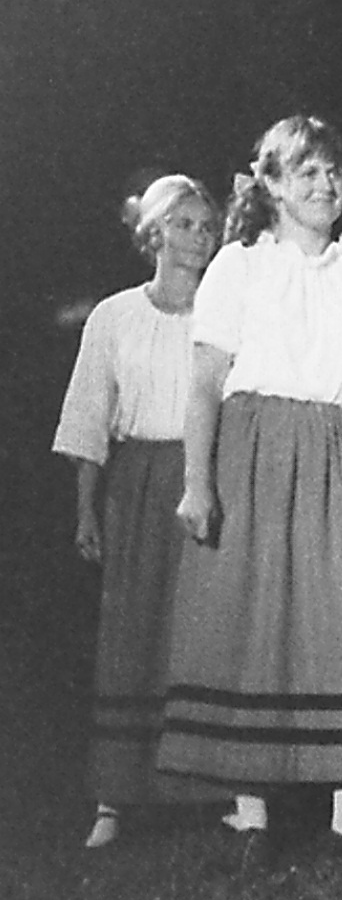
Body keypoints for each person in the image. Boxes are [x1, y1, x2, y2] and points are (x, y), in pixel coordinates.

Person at [159, 119, 342, 867]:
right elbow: (205, 383)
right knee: (253, 617)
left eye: (333, 172)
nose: (325, 186)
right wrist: (198, 481)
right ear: (270, 184)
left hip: (339, 449)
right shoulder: (240, 267)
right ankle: (251, 814)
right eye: (306, 172)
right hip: (255, 449)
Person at [52, 175, 229, 845]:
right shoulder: (115, 316)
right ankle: (116, 797)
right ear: (153, 233)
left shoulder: (227, 313)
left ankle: (209, 788)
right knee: (133, 629)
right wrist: (86, 510)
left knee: (203, 630)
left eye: (207, 227)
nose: (198, 238)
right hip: (136, 484)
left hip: (206, 478)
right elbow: (88, 417)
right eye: (183, 225)